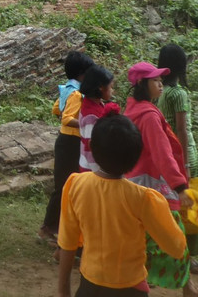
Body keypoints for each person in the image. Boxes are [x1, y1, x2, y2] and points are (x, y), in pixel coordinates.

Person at [56, 114, 187, 297]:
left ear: (92, 147)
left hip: (89, 286)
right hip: (131, 289)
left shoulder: (75, 185)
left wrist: (63, 291)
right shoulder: (144, 199)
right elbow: (177, 247)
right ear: (136, 155)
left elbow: (67, 243)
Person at [124, 62, 198, 297]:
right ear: (142, 84)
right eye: (155, 80)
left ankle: (178, 287)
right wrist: (179, 186)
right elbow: (162, 153)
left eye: (160, 79)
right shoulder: (148, 115)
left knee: (143, 239)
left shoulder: (134, 108)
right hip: (154, 186)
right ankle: (186, 289)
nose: (160, 83)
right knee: (174, 236)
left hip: (136, 182)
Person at [156, 44, 198, 273]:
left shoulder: (162, 92)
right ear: (181, 66)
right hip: (184, 153)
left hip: (168, 153)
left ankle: (174, 251)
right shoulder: (179, 94)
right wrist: (186, 163)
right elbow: (181, 130)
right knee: (191, 206)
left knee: (175, 205)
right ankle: (187, 256)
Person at [41, 50, 95, 244]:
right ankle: (47, 228)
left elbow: (56, 109)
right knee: (64, 186)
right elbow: (66, 118)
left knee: (65, 186)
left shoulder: (67, 89)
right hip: (71, 143)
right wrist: (87, 123)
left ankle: (59, 229)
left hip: (66, 142)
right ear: (82, 73)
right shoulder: (77, 94)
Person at [79, 65, 120, 173]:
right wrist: (99, 173)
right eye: (111, 87)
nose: (112, 91)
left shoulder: (93, 104)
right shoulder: (91, 116)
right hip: (91, 169)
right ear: (101, 87)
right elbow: (90, 147)